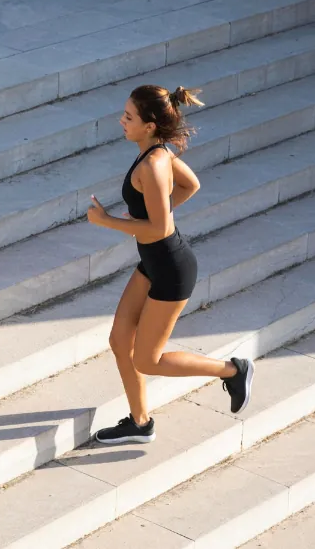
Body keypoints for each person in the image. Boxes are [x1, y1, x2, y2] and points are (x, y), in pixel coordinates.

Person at [86, 84, 255, 445]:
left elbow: (160, 229)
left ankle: (232, 369)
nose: (122, 120)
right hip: (155, 262)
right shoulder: (158, 152)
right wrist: (152, 214)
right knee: (120, 340)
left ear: (149, 125)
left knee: (147, 360)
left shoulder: (152, 165)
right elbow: (191, 185)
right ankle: (140, 421)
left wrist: (108, 221)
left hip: (171, 272)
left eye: (129, 117)